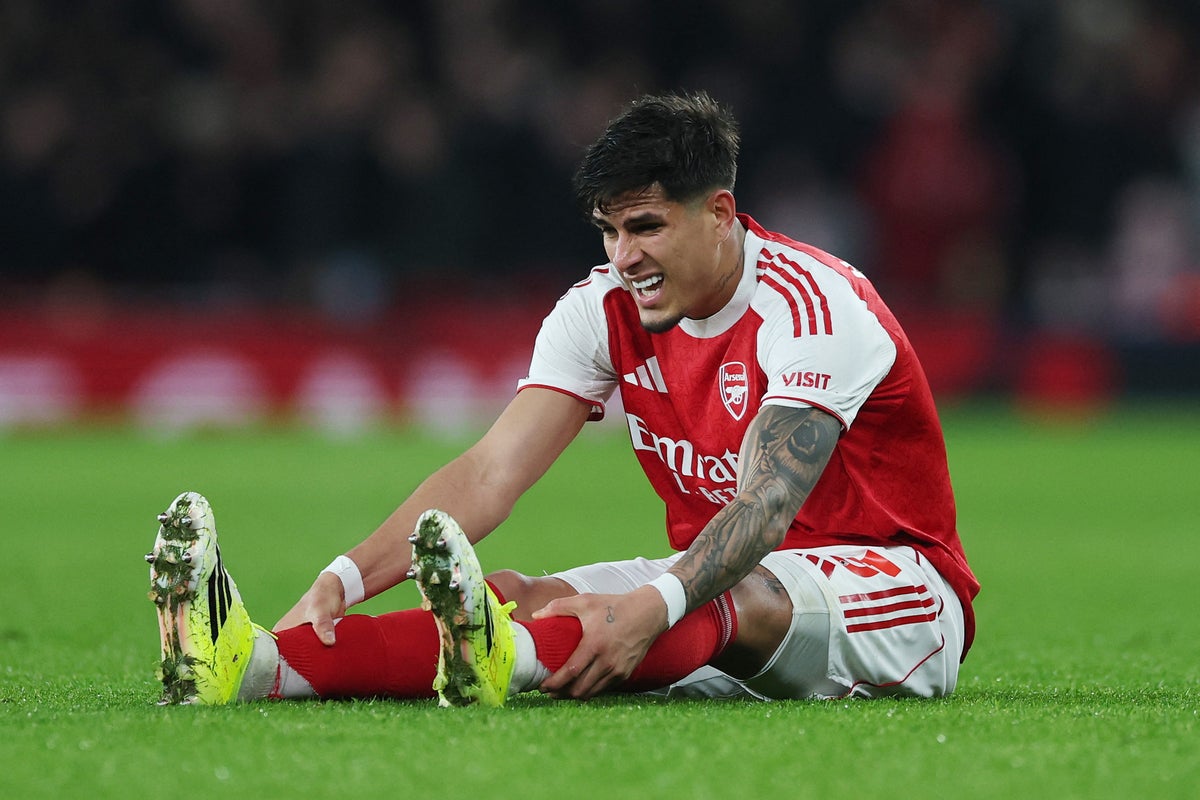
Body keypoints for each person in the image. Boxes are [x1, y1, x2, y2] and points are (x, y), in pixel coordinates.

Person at [146, 91, 978, 707]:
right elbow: (490, 472)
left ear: (720, 213)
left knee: (700, 599)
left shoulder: (813, 306)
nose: (624, 256)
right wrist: (345, 577)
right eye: (609, 230)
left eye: (646, 227)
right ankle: (257, 666)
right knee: (524, 595)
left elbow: (765, 505)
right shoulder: (602, 309)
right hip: (714, 591)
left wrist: (653, 605)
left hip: (895, 592)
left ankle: (511, 660)